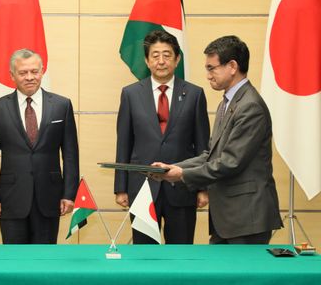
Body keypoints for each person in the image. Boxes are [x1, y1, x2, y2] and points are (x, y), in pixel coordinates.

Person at [155, 35, 283, 244]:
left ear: (232, 66)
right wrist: (172, 167)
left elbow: (230, 162)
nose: (208, 75)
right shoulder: (228, 103)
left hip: (246, 218)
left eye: (211, 68)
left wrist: (182, 175)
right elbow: (211, 155)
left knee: (242, 277)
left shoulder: (250, 106)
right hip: (230, 219)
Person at [114, 30, 210, 244]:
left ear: (177, 59)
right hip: (143, 187)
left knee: (181, 253)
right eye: (155, 55)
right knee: (144, 256)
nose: (161, 61)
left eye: (167, 55)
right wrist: (121, 187)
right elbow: (124, 143)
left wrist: (203, 187)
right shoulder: (130, 94)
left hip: (183, 187)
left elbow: (203, 145)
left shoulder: (195, 94)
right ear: (147, 61)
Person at [0, 48, 79, 244]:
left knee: (45, 261)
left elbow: (70, 154)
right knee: (13, 261)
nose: (29, 77)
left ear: (42, 72)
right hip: (11, 198)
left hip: (49, 197)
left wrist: (69, 194)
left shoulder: (62, 105)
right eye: (23, 72)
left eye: (34, 71)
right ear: (12, 75)